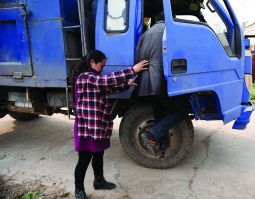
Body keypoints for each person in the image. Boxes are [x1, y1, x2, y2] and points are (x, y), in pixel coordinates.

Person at [71, 50, 148, 199]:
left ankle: (99, 181)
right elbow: (105, 81)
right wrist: (132, 70)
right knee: (84, 159)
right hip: (86, 127)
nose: (103, 68)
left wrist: (127, 84)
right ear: (92, 62)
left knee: (99, 154)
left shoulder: (95, 78)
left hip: (97, 125)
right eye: (102, 65)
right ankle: (78, 189)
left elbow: (109, 87)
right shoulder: (85, 77)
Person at [135, 11, 188, 160]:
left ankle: (162, 143)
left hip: (145, 82)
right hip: (162, 81)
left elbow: (138, 56)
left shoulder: (145, 34)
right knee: (180, 112)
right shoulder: (170, 31)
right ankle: (152, 134)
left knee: (159, 110)